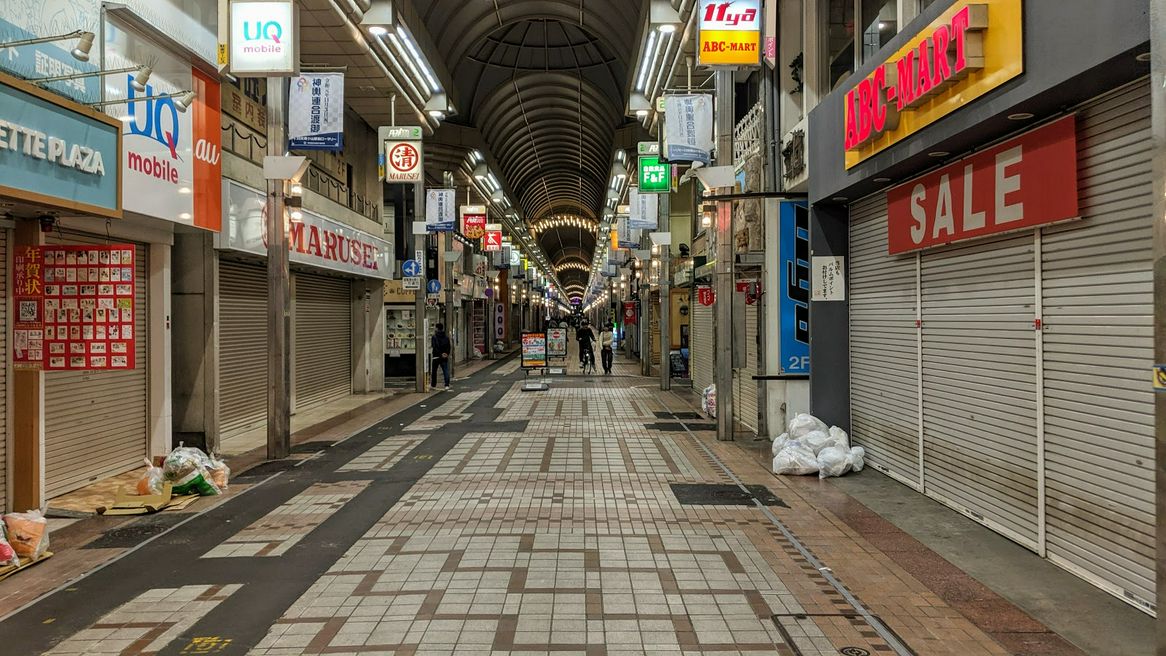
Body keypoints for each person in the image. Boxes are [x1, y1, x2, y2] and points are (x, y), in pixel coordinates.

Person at [430, 323, 452, 390]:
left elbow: (434, 347)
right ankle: (447, 384)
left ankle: (433, 385)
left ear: (437, 328)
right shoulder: (446, 337)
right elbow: (449, 346)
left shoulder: (434, 337)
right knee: (445, 370)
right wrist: (446, 354)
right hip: (444, 356)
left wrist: (440, 354)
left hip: (436, 356)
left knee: (434, 371)